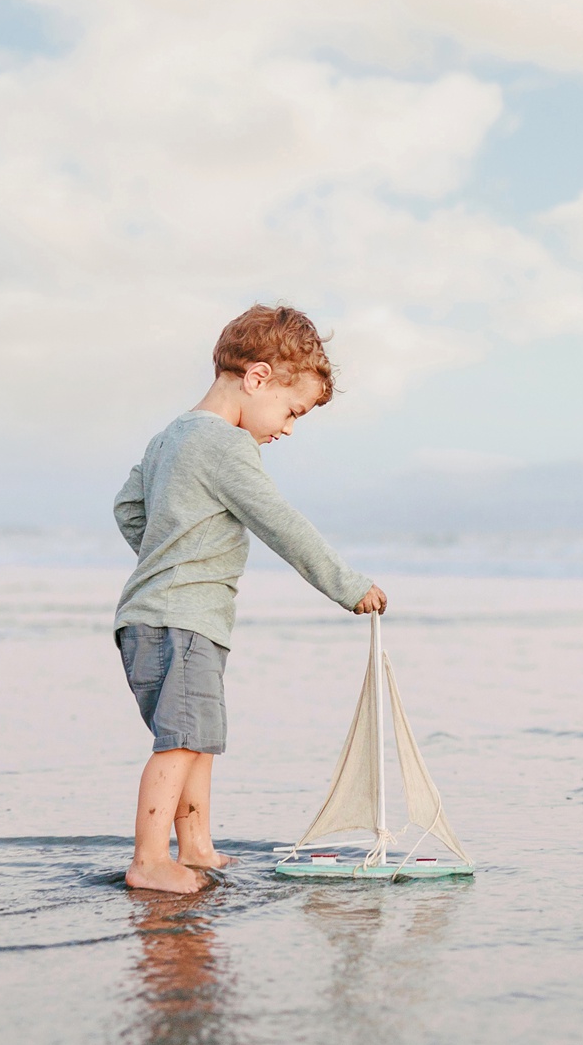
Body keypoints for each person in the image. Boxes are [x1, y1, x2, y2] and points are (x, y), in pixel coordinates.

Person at [113, 305, 385, 893]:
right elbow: (280, 522)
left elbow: (127, 509)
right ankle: (149, 860)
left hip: (149, 617)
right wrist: (348, 585)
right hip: (183, 618)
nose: (286, 429)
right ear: (258, 378)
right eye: (292, 412)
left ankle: (198, 846)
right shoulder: (226, 446)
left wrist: (165, 552)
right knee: (182, 740)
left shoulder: (169, 438)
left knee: (196, 738)